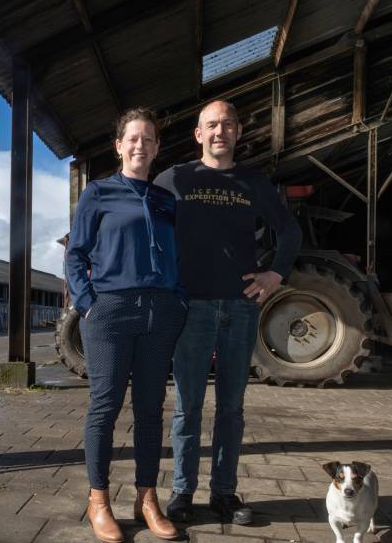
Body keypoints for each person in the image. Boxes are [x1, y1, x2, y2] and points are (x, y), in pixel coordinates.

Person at [154, 99, 302, 525]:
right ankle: (182, 492)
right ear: (198, 134)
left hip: (239, 308)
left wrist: (275, 274)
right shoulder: (174, 179)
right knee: (188, 406)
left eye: (228, 125)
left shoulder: (254, 182)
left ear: (238, 133)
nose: (220, 132)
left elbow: (289, 231)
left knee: (231, 407)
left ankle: (224, 493)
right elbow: (148, 228)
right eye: (211, 126)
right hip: (192, 307)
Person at [65, 107, 187, 542]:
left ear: (156, 148)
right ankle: (98, 500)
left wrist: (179, 299)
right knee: (105, 405)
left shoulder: (165, 200)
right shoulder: (98, 193)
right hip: (111, 312)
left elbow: (179, 257)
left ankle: (146, 498)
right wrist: (89, 305)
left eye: (148, 139)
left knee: (151, 409)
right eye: (132, 138)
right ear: (119, 145)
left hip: (160, 313)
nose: (140, 145)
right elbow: (75, 254)